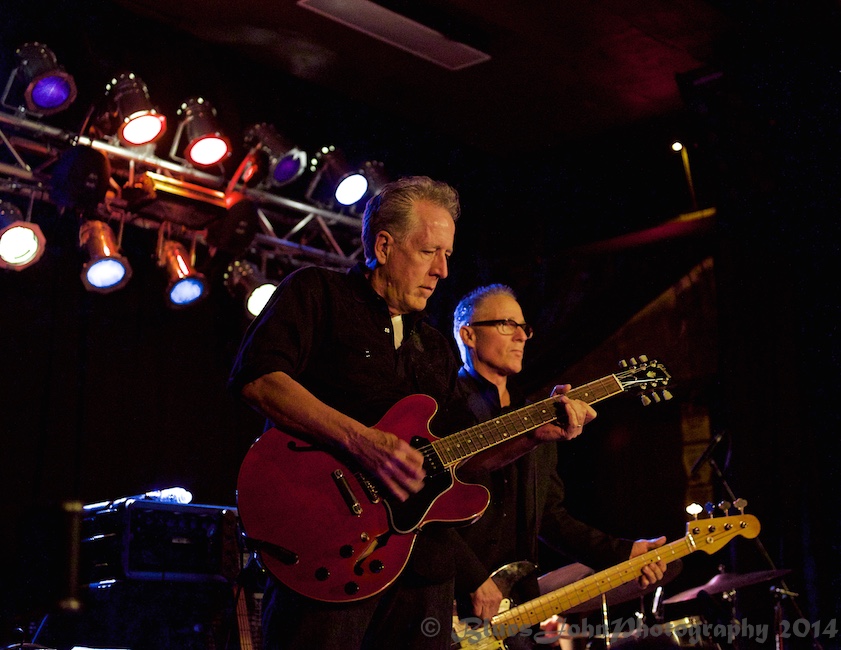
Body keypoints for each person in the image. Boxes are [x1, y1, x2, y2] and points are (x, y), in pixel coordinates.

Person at [449, 284, 668, 637]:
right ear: (468, 334)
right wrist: (472, 577)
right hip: (447, 604)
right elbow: (421, 512)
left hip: (515, 612)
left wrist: (625, 552)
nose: (522, 335)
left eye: (525, 327)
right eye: (507, 324)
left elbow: (550, 517)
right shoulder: (442, 411)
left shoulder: (539, 417)